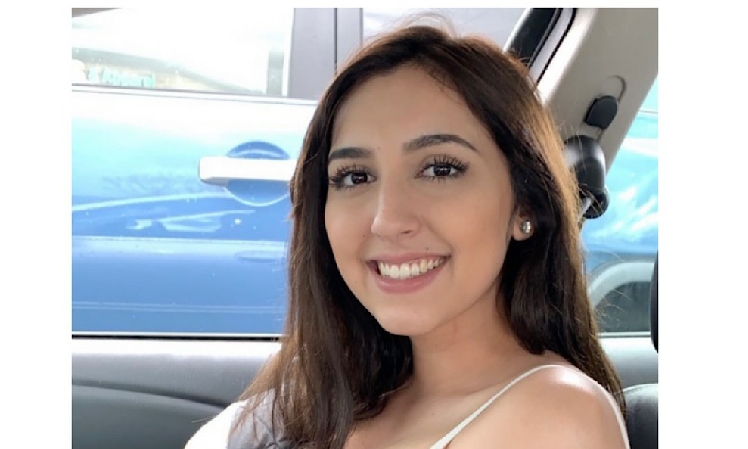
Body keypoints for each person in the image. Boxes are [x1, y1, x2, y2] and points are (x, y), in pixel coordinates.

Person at [186, 19, 630, 449]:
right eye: (355, 177)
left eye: (440, 169)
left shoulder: (556, 418)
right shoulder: (333, 394)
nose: (386, 219)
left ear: (524, 206)